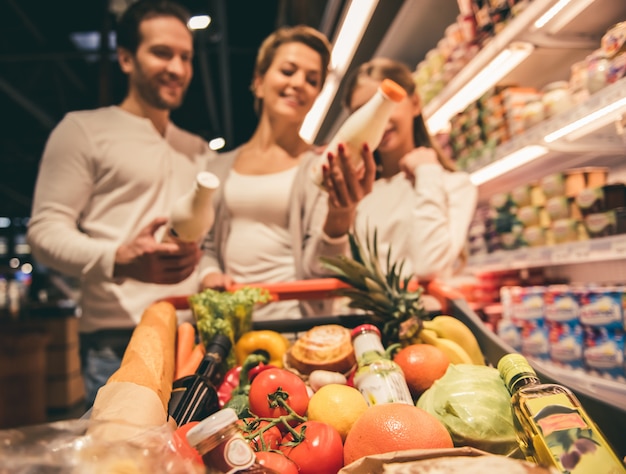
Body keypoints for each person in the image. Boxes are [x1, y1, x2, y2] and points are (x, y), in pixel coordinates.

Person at [26, 0, 213, 406]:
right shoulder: (83, 130)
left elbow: (210, 244)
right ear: (126, 58)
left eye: (186, 57)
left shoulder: (197, 150)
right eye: (162, 53)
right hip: (117, 341)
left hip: (189, 337)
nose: (177, 69)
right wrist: (120, 257)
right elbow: (44, 232)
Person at [200, 25, 376, 320]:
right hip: (231, 324)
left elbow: (320, 271)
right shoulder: (219, 166)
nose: (299, 84)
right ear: (258, 81)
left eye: (312, 79)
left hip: (296, 323)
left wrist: (339, 217)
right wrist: (209, 274)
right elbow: (206, 244)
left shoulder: (319, 167)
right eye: (288, 71)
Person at [343, 57, 477, 282]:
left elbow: (429, 267)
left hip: (429, 316)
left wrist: (427, 172)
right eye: (362, 111)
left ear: (415, 103)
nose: (377, 118)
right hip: (362, 318)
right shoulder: (356, 193)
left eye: (387, 103)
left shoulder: (454, 185)